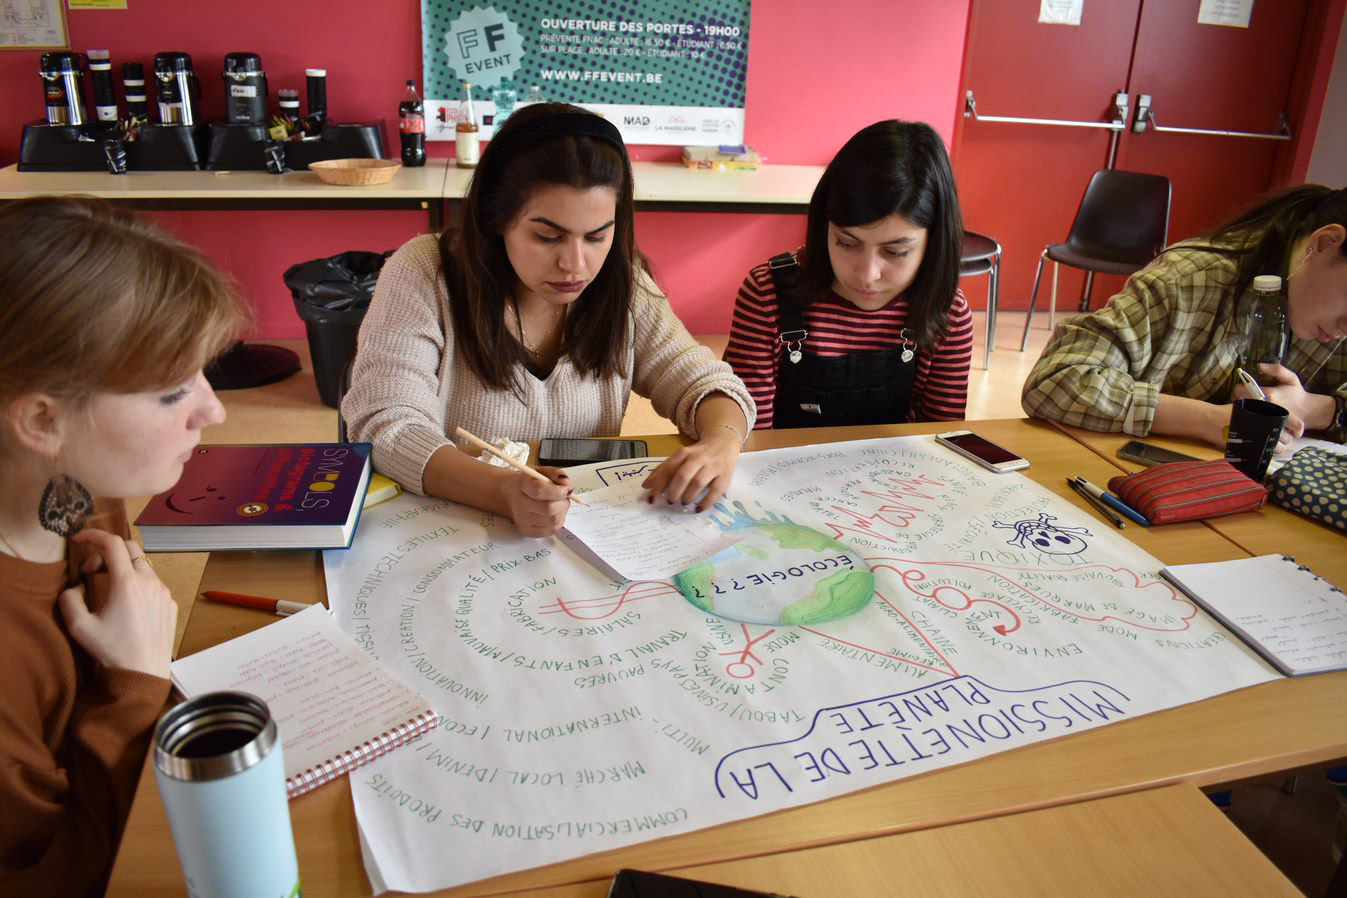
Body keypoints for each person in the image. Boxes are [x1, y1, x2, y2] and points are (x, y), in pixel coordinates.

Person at [343, 104, 754, 536]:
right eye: (547, 236)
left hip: (576, 529)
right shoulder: (426, 271)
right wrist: (502, 492)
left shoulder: (622, 280)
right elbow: (386, 423)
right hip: (450, 526)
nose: (575, 264)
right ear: (496, 217)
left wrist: (721, 442)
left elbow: (703, 381)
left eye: (597, 236)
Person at [0, 196, 241, 896]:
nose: (215, 410)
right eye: (172, 393)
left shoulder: (72, 485)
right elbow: (82, 876)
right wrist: (138, 680)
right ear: (42, 418)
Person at [1023, 185, 1347, 446]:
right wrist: (1211, 421)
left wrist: (1317, 409)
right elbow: (1055, 382)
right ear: (1324, 243)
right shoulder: (1190, 279)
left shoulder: (1327, 319)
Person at [723, 119, 973, 429]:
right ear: (824, 225)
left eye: (895, 252)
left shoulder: (946, 311)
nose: (868, 275)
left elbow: (940, 435)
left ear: (933, 242)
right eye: (847, 243)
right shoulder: (767, 294)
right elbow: (747, 431)